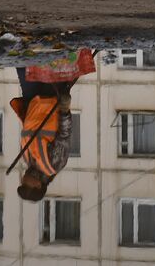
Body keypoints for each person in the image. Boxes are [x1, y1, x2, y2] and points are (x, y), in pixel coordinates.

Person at [9, 49, 95, 201]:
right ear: (38, 185)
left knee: (23, 62)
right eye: (26, 184)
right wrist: (64, 109)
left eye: (22, 183)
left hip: (33, 101)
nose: (23, 180)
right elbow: (64, 134)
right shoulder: (54, 164)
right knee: (53, 60)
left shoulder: (29, 161)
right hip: (51, 100)